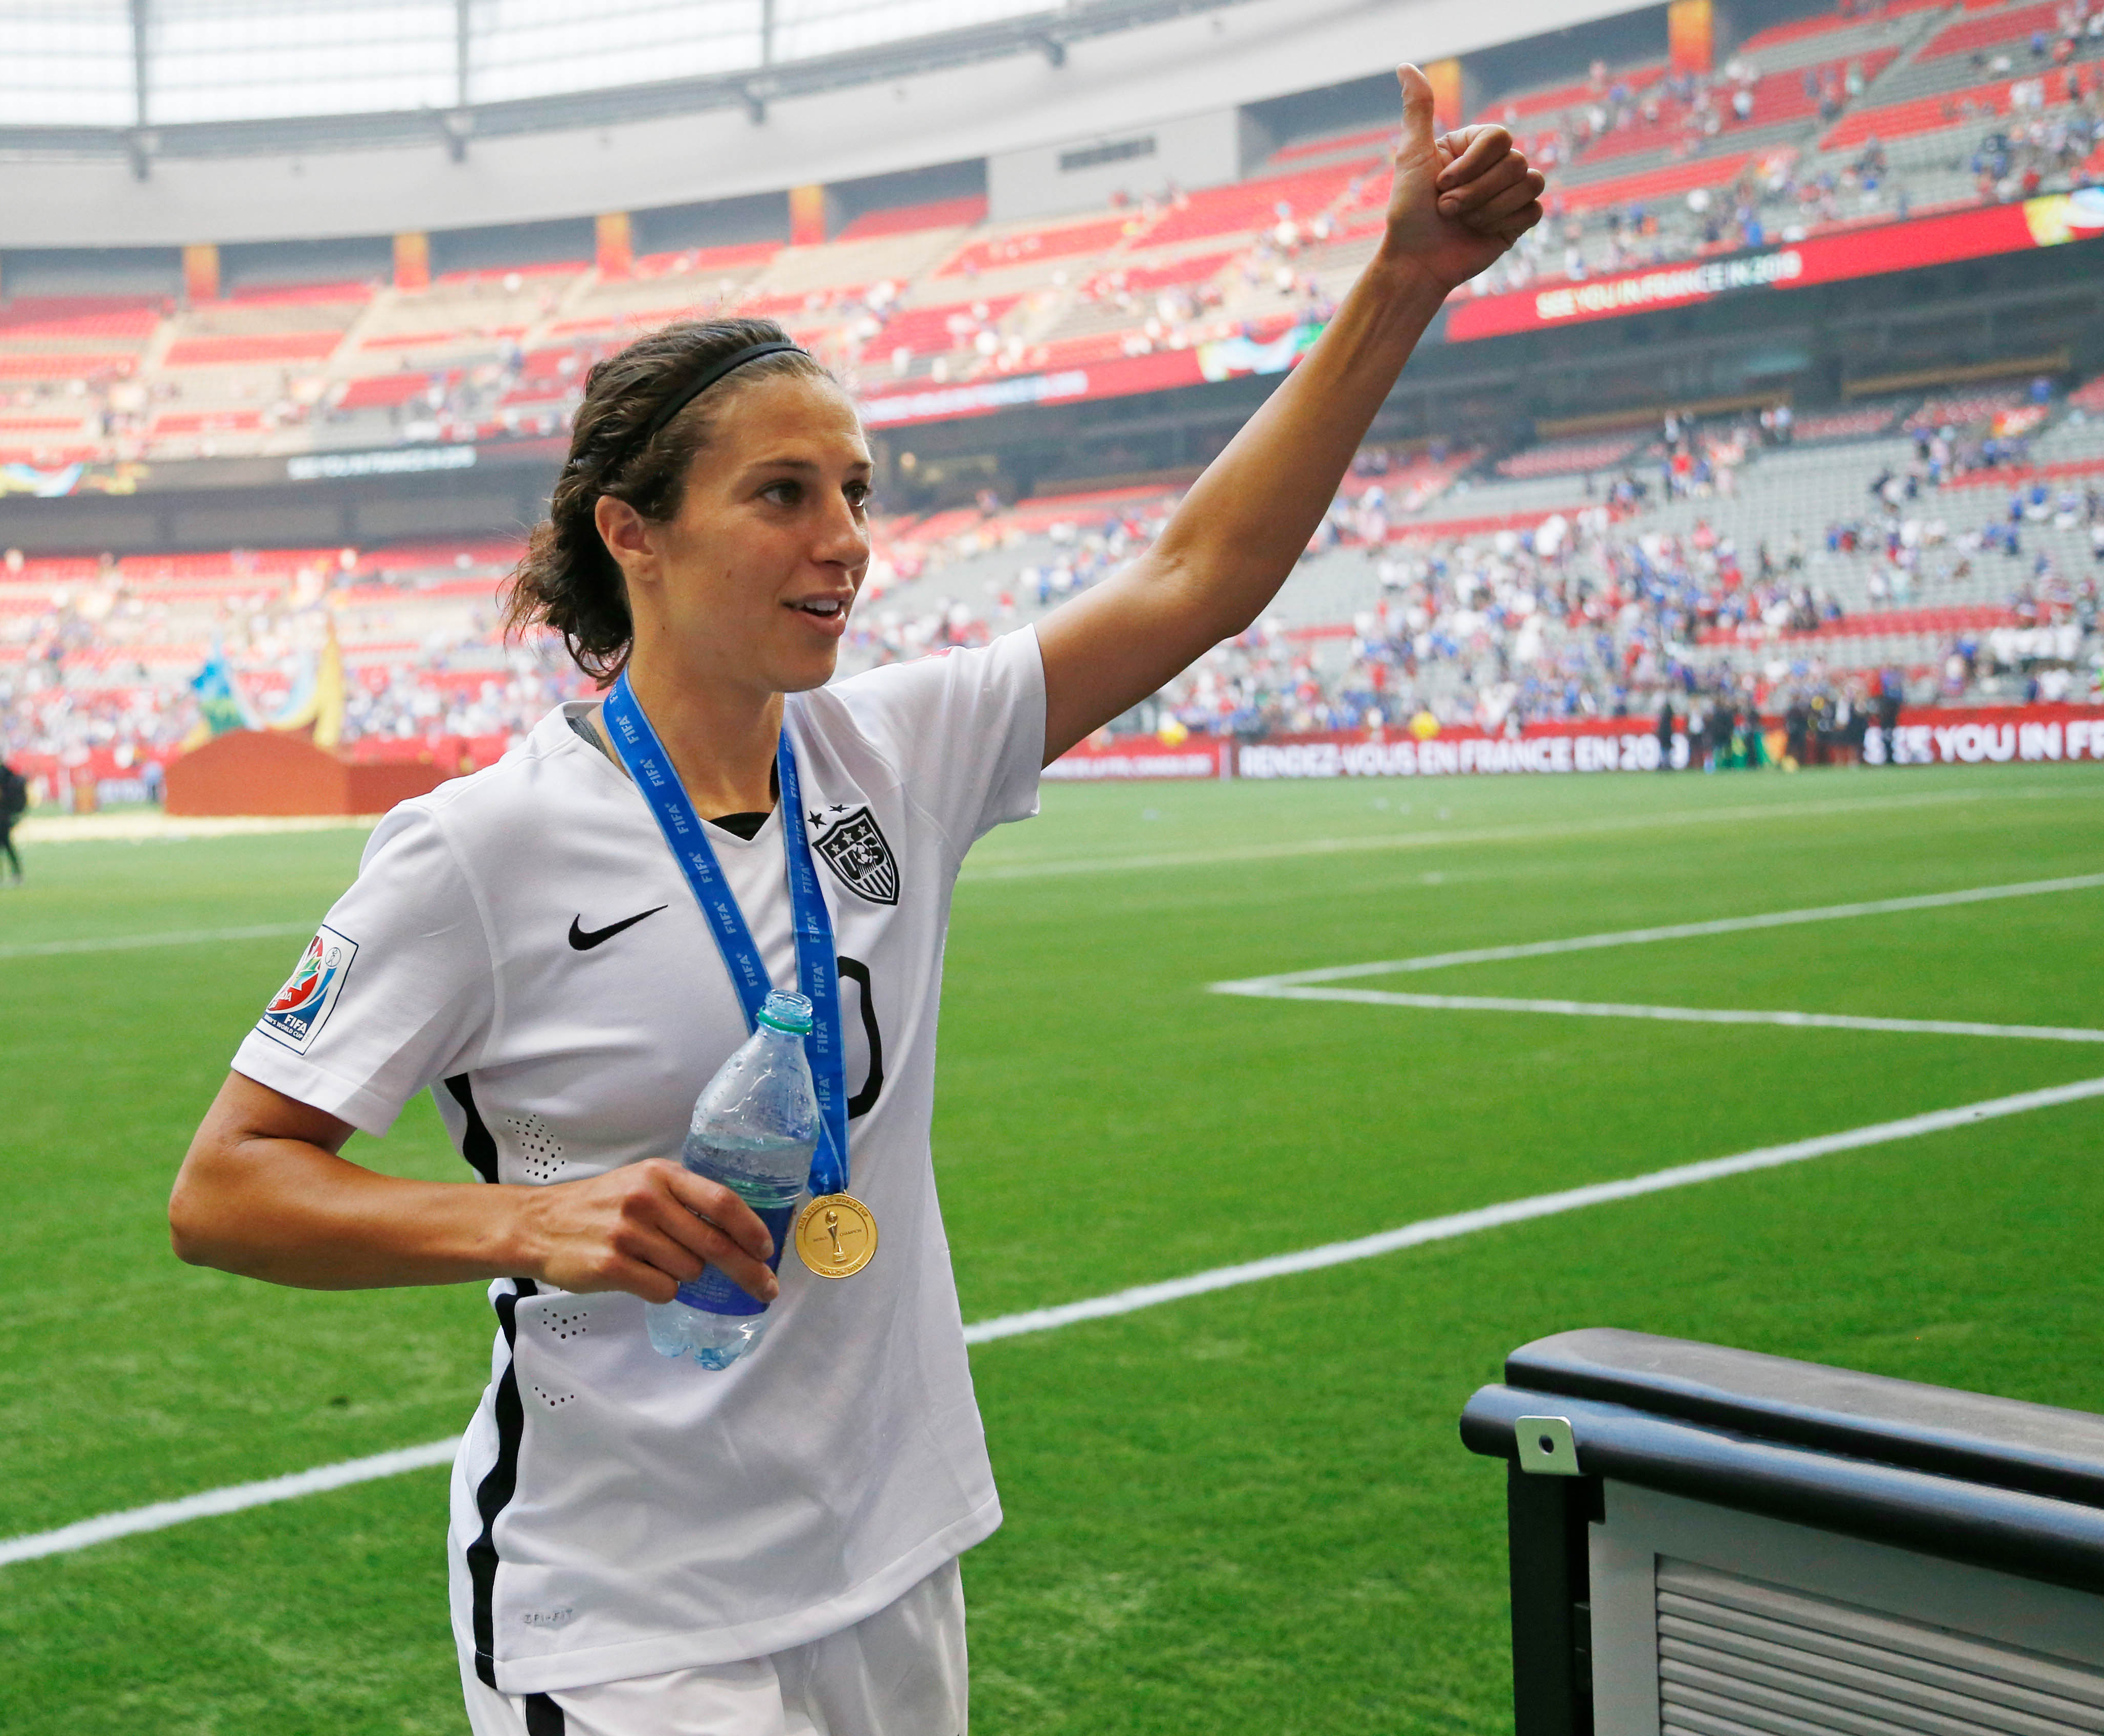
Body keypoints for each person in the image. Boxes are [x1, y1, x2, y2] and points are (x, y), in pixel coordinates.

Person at [167, 64, 1543, 1736]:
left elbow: (1203, 572)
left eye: (858, 489)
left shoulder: (900, 749)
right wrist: (528, 1219)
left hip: (892, 1556)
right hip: (630, 1604)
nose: (847, 538)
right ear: (636, 534)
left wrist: (1399, 281)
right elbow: (227, 1188)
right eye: (783, 493)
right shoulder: (480, 845)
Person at [0, 745, 27, 887]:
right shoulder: (5, 769)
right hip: (7, 813)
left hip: (2, 814)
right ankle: (16, 874)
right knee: (6, 844)